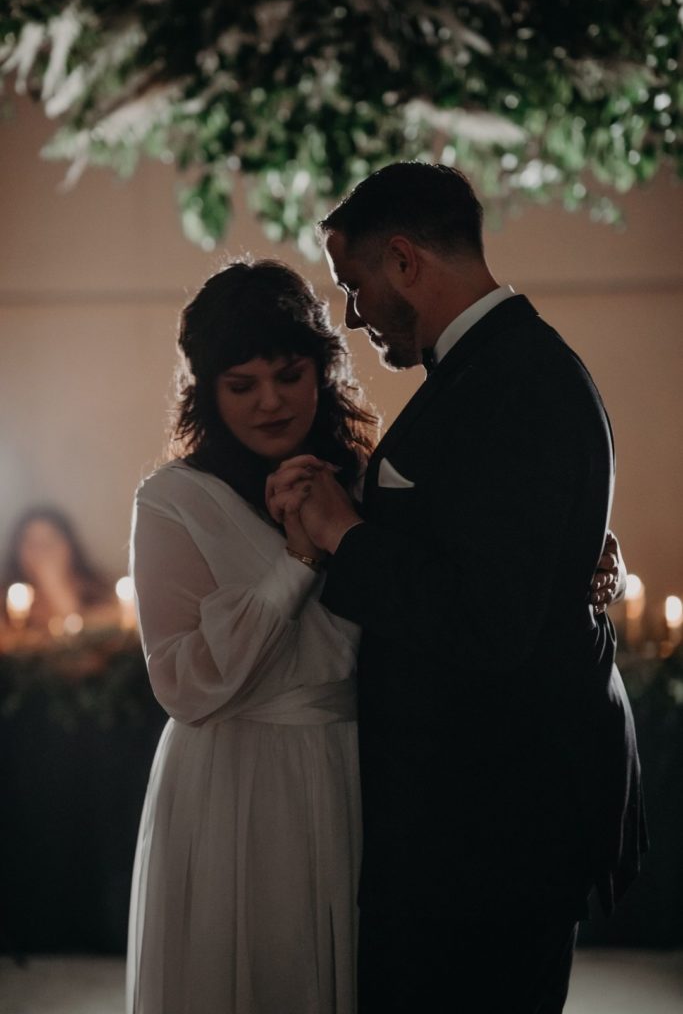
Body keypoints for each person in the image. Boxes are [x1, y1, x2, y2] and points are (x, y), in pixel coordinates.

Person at [266, 163, 646, 1013]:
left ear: (404, 260)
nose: (352, 315)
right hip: (470, 826)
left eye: (353, 286)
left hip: (486, 834)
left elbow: (488, 620)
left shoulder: (514, 385)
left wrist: (344, 535)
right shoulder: (490, 372)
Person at [125, 259, 378, 1014]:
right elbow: (184, 686)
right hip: (228, 777)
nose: (270, 401)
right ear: (205, 389)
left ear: (322, 371)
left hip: (348, 764)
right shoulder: (172, 501)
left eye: (288, 374)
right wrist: (295, 560)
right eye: (241, 384)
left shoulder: (363, 482)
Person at [1, 506, 115, 637]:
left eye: (50, 541)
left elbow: (91, 640)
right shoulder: (5, 603)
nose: (41, 551)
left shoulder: (99, 591)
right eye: (32, 544)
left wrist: (55, 587)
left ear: (70, 546)